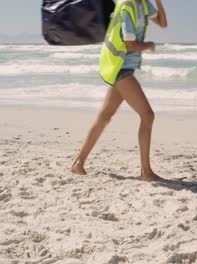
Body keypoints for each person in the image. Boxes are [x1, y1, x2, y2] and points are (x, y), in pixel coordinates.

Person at [71, 0, 167, 181]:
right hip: (120, 67)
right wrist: (148, 45)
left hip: (125, 67)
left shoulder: (144, 5)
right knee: (148, 115)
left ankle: (78, 163)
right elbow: (129, 44)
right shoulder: (127, 6)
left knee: (105, 116)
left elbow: (162, 23)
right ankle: (146, 172)